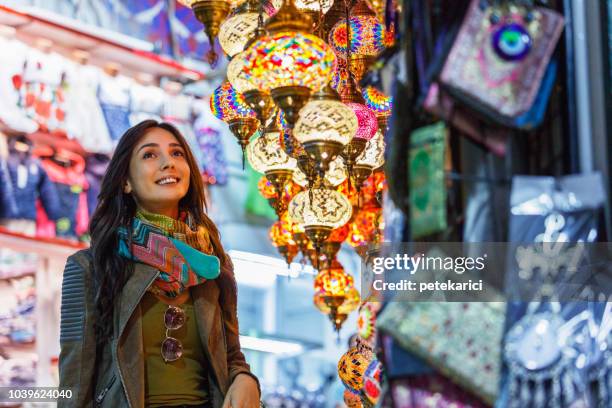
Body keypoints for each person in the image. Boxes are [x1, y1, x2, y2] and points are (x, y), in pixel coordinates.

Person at [58, 120, 260, 408]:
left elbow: (231, 357)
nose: (168, 163)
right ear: (125, 182)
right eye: (150, 155)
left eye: (177, 153)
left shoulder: (212, 264)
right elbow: (74, 384)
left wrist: (245, 379)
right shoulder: (90, 267)